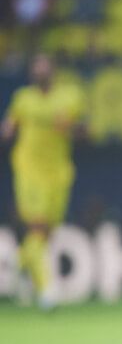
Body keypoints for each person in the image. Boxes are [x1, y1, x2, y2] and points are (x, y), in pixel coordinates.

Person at [1, 54, 84, 310]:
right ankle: (47, 290)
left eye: (44, 67)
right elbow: (8, 130)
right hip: (29, 170)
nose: (40, 72)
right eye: (36, 68)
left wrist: (71, 127)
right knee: (37, 227)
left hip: (59, 172)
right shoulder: (23, 99)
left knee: (46, 234)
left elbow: (84, 131)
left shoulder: (70, 96)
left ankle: (17, 262)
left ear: (53, 71)